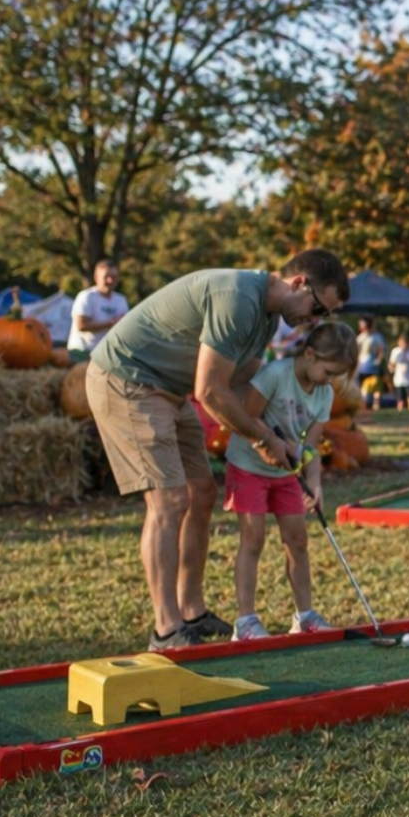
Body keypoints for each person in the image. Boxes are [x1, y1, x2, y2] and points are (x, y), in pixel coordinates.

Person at [86, 249, 349, 650]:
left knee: (202, 493)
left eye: (324, 316)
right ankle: (166, 629)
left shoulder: (264, 319)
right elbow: (209, 391)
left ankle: (191, 609)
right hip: (127, 380)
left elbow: (241, 387)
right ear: (299, 283)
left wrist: (283, 436)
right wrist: (263, 440)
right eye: (317, 309)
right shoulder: (239, 298)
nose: (315, 322)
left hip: (169, 391)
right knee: (170, 501)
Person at [225, 322, 354, 641]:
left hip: (286, 473)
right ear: (309, 354)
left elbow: (310, 446)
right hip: (248, 465)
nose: (330, 380)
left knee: (297, 541)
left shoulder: (323, 394)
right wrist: (271, 443)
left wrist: (315, 483)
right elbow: (246, 417)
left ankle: (305, 616)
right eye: (328, 371)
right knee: (252, 539)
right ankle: (246, 622)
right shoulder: (275, 375)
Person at [67, 260, 129, 364]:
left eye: (114, 277)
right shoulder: (87, 297)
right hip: (82, 352)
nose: (110, 280)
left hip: (107, 354)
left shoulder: (121, 300)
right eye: (106, 277)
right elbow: (81, 325)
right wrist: (112, 323)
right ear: (96, 277)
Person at [354, 318, 386, 409]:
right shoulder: (360, 337)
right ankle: (364, 405)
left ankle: (376, 404)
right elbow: (356, 351)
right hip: (362, 367)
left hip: (373, 366)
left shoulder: (376, 337)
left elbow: (381, 350)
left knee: (376, 386)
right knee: (362, 386)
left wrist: (378, 360)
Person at [388, 333, 409, 411]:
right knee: (400, 400)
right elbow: (391, 365)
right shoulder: (395, 352)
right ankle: (400, 413)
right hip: (399, 380)